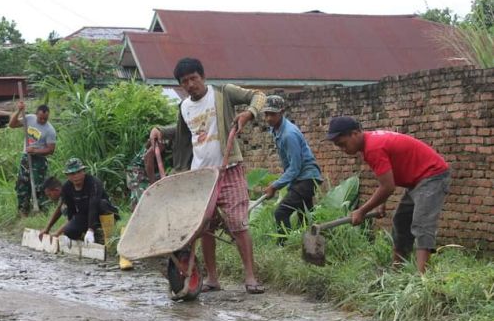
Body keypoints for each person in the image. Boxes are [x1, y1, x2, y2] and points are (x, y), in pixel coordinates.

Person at [149, 57, 266, 294]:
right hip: (201, 175)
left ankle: (251, 277)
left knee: (238, 224)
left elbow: (258, 96)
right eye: (185, 82)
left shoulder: (223, 93)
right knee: (205, 227)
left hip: (229, 168)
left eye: (194, 78)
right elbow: (182, 134)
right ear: (181, 86)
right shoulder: (184, 107)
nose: (191, 84)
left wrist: (248, 114)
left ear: (203, 77)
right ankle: (212, 279)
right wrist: (160, 130)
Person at [326, 116, 450, 274]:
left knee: (422, 224)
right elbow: (387, 180)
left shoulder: (373, 148)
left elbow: (388, 187)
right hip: (417, 180)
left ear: (355, 133)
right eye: (338, 146)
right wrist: (381, 202)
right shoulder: (370, 144)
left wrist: (362, 211)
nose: (342, 149)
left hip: (432, 176)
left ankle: (422, 280)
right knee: (401, 222)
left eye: (343, 144)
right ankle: (397, 272)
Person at [261, 95, 323, 236]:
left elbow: (295, 167)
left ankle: (284, 244)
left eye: (273, 114)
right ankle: (308, 244)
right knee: (305, 217)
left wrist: (275, 185)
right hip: (301, 178)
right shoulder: (276, 130)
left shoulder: (289, 135)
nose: (269, 118)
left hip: (307, 178)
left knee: (281, 212)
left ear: (282, 112)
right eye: (266, 114)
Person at [40, 158, 118, 244]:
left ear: (83, 172)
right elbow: (71, 212)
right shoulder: (67, 188)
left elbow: (93, 205)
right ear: (67, 176)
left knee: (102, 204)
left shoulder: (94, 183)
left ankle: (109, 236)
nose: (76, 176)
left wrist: (90, 230)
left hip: (101, 212)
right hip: (84, 215)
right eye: (72, 174)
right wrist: (65, 230)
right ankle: (84, 236)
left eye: (78, 172)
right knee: (69, 231)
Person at [9, 101, 56, 215]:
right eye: (41, 118)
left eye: (45, 119)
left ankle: (40, 212)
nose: (43, 121)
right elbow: (12, 124)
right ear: (36, 114)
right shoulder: (29, 118)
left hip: (39, 161)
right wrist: (19, 110)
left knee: (39, 187)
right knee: (22, 184)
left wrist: (35, 151)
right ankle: (23, 211)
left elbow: (50, 150)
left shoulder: (50, 130)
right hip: (26, 158)